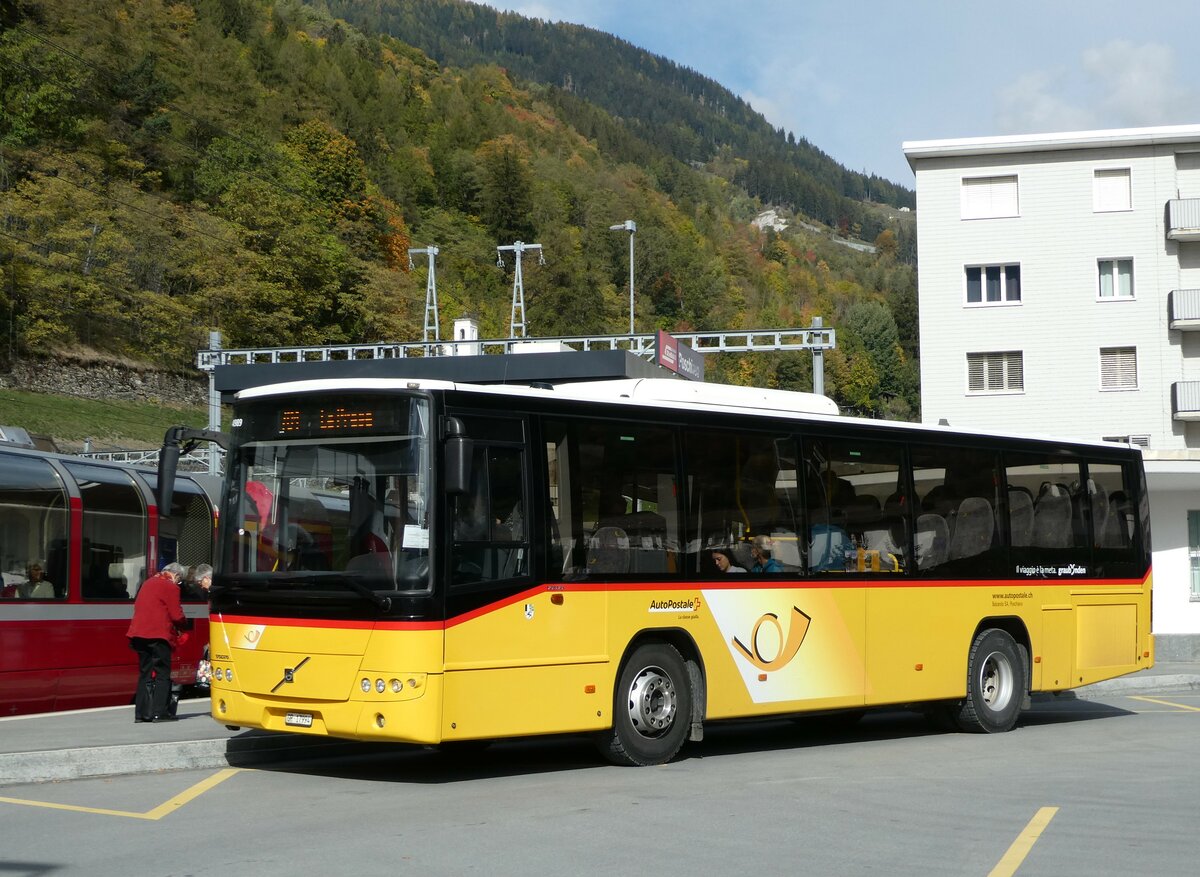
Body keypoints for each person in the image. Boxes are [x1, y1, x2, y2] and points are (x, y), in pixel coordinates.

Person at [126, 562, 190, 723]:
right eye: (179, 579)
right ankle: (159, 712)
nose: (178, 583)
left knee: (145, 674)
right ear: (175, 575)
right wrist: (185, 625)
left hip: (138, 634)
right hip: (158, 636)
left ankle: (141, 714)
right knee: (162, 673)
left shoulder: (147, 583)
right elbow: (176, 615)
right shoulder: (171, 587)